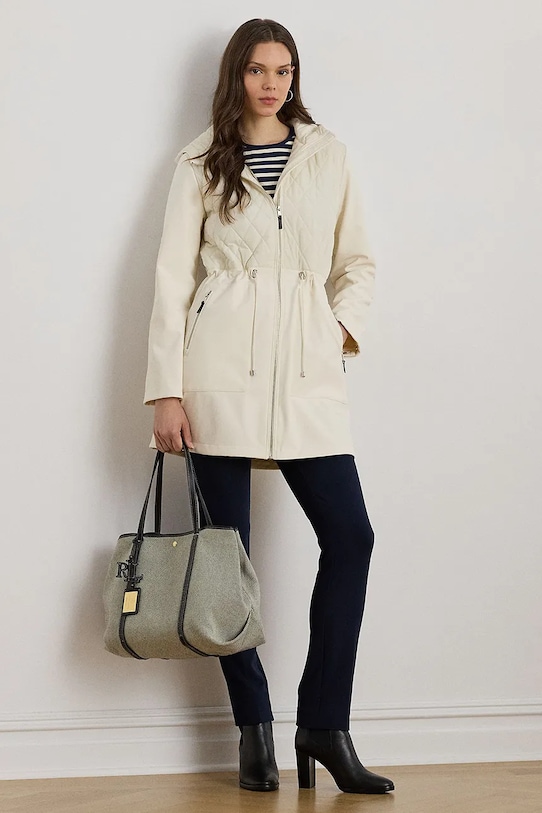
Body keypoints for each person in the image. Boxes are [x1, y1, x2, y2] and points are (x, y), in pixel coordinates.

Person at [144, 18, 394, 796]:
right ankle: (253, 728)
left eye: (284, 70)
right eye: (257, 70)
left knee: (351, 537)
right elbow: (171, 280)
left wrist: (335, 330)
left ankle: (325, 724)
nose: (271, 83)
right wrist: (165, 389)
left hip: (307, 376)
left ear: (295, 77)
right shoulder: (198, 161)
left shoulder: (328, 155)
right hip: (216, 375)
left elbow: (358, 261)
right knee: (228, 561)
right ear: (236, 75)